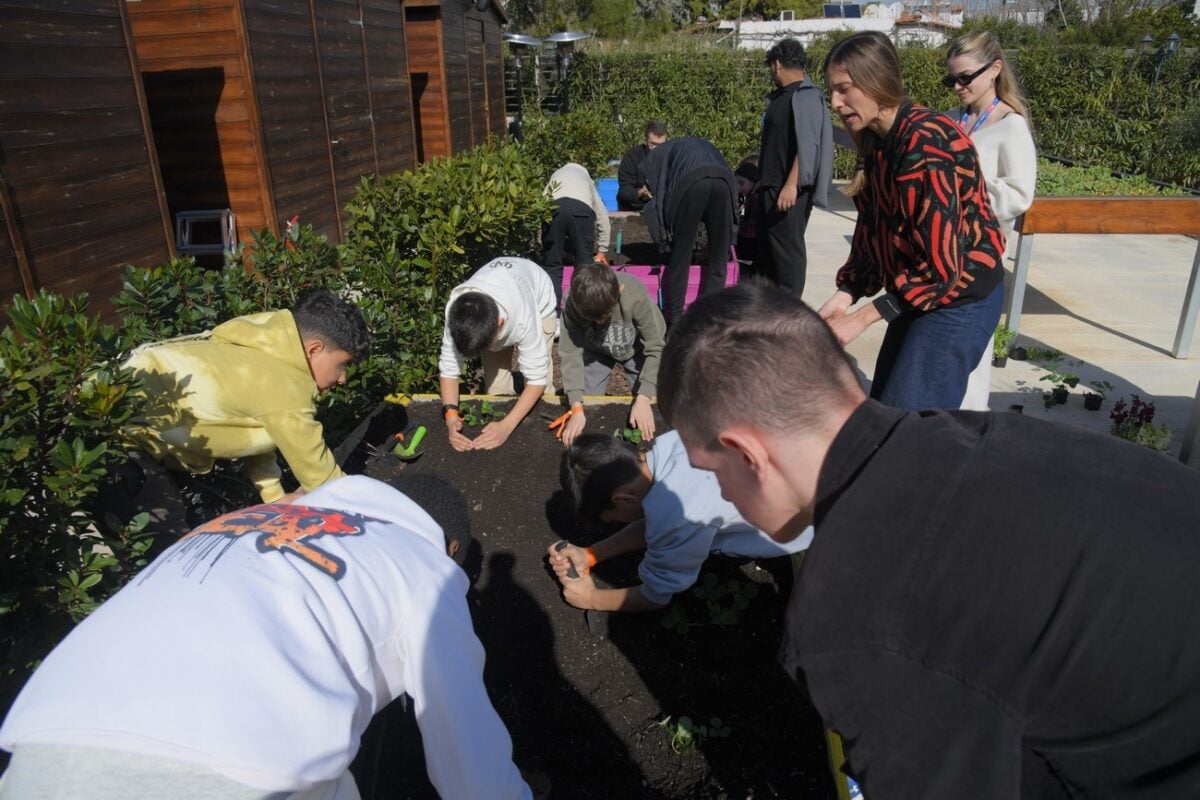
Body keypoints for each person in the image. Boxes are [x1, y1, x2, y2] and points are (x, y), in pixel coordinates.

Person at [657, 283, 1200, 799]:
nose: (722, 496)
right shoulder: (975, 435)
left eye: (712, 470)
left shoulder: (855, 615)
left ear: (748, 454)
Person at [0, 474, 533, 800]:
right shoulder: (424, 567)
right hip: (229, 765)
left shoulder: (247, 519)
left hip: (45, 742)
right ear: (450, 547)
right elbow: (468, 751)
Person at [817, 32, 1006, 411]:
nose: (835, 102)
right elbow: (872, 234)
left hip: (958, 299)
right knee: (888, 412)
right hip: (920, 295)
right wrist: (846, 293)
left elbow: (943, 270)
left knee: (911, 425)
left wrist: (863, 318)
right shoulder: (879, 143)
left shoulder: (926, 145)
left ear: (875, 82)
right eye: (832, 91)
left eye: (844, 89)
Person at [122, 289, 369, 503]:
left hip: (120, 414)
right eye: (342, 364)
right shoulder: (283, 384)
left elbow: (262, 430)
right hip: (118, 438)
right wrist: (371, 508)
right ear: (314, 349)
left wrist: (276, 497)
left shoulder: (262, 345)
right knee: (166, 542)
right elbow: (323, 479)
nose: (342, 378)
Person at [547, 431, 811, 613]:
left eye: (613, 518)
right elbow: (649, 520)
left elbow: (655, 595)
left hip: (823, 526)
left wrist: (592, 598)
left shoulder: (678, 514)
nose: (616, 523)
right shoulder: (674, 443)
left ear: (623, 498)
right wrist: (590, 555)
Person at [944, 31, 1038, 411]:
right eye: (950, 79)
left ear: (994, 70)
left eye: (965, 77)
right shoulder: (953, 119)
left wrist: (963, 189)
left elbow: (1019, 194)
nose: (957, 86)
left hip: (978, 259)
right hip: (941, 253)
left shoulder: (1010, 125)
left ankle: (968, 434)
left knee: (971, 362)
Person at [438, 257, 557, 452]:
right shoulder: (458, 312)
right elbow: (449, 369)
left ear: (499, 323)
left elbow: (537, 379)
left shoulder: (524, 318)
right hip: (500, 300)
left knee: (543, 395)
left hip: (538, 296)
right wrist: (451, 418)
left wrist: (506, 427)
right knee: (497, 389)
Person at [755, 37, 834, 297]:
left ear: (777, 65)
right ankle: (770, 308)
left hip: (789, 190)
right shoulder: (782, 97)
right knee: (769, 253)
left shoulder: (806, 96)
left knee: (789, 252)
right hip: (771, 187)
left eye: (771, 68)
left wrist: (791, 184)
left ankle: (791, 308)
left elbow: (808, 145)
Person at [556, 261, 667, 446]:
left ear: (619, 291)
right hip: (596, 350)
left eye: (604, 317)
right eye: (592, 319)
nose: (599, 323)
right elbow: (571, 352)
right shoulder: (572, 302)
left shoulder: (634, 295)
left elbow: (656, 347)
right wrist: (576, 407)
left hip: (636, 350)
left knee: (650, 405)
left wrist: (644, 397)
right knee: (589, 405)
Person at [638, 136, 739, 323]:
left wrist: (667, 232)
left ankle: (676, 319)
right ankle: (710, 320)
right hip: (723, 182)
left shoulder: (659, 156)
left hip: (692, 184)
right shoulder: (696, 145)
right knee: (719, 259)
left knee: (681, 255)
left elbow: (662, 196)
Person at [543, 162, 612, 309]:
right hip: (581, 210)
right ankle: (581, 309)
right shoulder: (586, 178)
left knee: (553, 265)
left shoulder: (556, 175)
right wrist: (602, 250)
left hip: (554, 209)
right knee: (584, 267)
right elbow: (603, 216)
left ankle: (553, 312)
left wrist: (544, 240)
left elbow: (541, 204)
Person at [617, 120, 668, 211]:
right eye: (653, 144)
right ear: (645, 140)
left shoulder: (670, 156)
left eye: (661, 145)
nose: (657, 149)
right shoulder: (632, 157)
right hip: (635, 209)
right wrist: (640, 193)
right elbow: (624, 191)